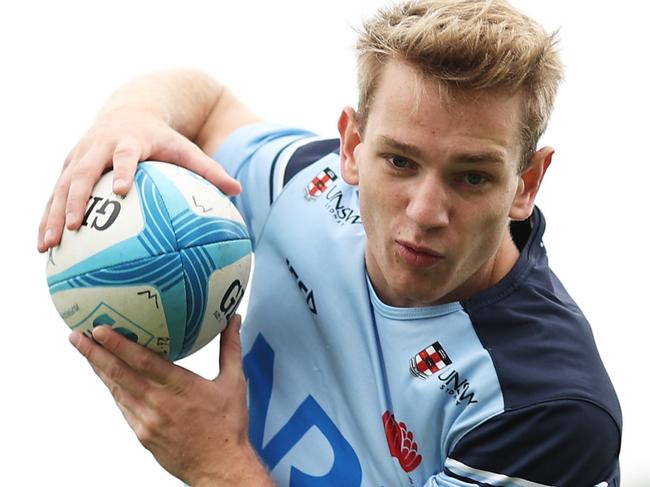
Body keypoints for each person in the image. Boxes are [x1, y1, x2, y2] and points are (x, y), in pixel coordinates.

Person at [37, 0, 622, 485]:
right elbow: (206, 102)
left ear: (526, 184)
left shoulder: (547, 411)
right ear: (352, 147)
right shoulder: (311, 189)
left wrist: (216, 464)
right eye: (399, 160)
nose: (424, 211)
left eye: (472, 176)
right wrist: (127, 118)